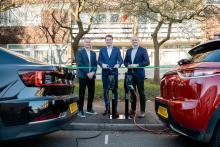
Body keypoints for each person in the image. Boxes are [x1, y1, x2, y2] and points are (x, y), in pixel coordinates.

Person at [124, 36, 150, 118]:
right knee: (132, 92)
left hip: (139, 74)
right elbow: (125, 61)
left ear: (139, 41)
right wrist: (128, 65)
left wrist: (137, 65)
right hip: (130, 75)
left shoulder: (143, 50)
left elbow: (147, 62)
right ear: (131, 42)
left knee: (141, 92)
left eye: (136, 40)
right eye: (133, 40)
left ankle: (142, 111)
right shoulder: (128, 50)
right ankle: (133, 109)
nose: (134, 41)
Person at [98, 35, 123, 116]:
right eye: (107, 40)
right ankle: (107, 109)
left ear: (112, 40)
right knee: (105, 91)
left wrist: (118, 64)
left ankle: (114, 110)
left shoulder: (117, 50)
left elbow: (120, 60)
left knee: (114, 91)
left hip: (114, 73)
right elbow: (99, 60)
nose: (108, 41)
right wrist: (102, 64)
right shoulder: (102, 50)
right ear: (105, 41)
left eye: (110, 39)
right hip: (105, 74)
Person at [76, 38, 97, 118]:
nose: (87, 43)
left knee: (91, 92)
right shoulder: (80, 52)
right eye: (86, 42)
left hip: (91, 76)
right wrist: (87, 73)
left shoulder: (93, 53)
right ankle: (80, 110)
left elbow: (95, 64)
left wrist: (93, 72)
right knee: (82, 93)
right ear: (83, 43)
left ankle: (89, 109)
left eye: (89, 42)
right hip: (83, 76)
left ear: (90, 43)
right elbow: (80, 64)